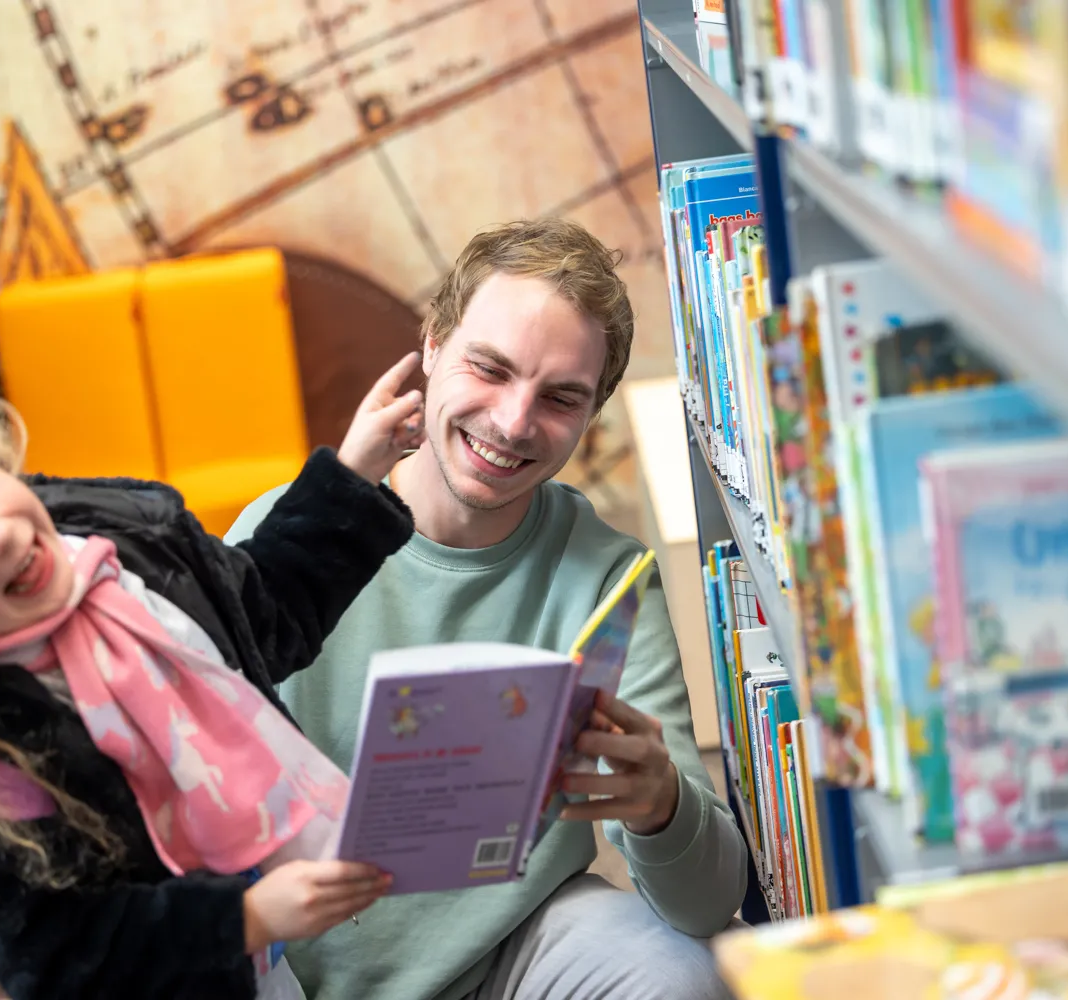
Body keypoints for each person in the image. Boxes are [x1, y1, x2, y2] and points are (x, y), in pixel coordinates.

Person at [0, 354, 428, 1000]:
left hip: (255, 969)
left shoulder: (118, 552)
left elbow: (258, 616)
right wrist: (242, 918)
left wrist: (352, 475)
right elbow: (58, 959)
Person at [227, 217, 747, 1000]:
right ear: (432, 345)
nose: (512, 421)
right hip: (292, 964)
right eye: (490, 367)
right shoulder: (287, 534)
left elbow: (707, 906)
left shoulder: (605, 576)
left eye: (560, 397)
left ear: (590, 414)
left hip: (512, 954)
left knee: (690, 975)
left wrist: (662, 806)